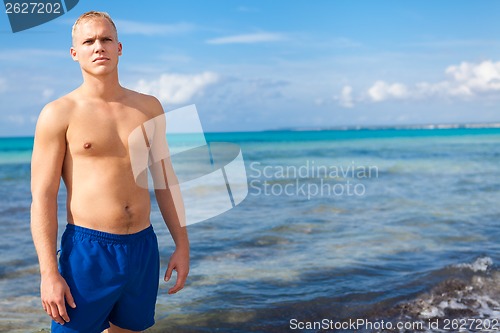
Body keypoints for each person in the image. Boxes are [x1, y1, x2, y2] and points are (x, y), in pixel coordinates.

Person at [30, 11, 190, 333]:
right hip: (89, 250)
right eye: (88, 41)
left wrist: (182, 244)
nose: (98, 46)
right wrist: (49, 273)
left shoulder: (149, 107)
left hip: (143, 246)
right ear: (75, 53)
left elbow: (165, 181)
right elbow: (43, 198)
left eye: (105, 39)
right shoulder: (59, 113)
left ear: (119, 47)